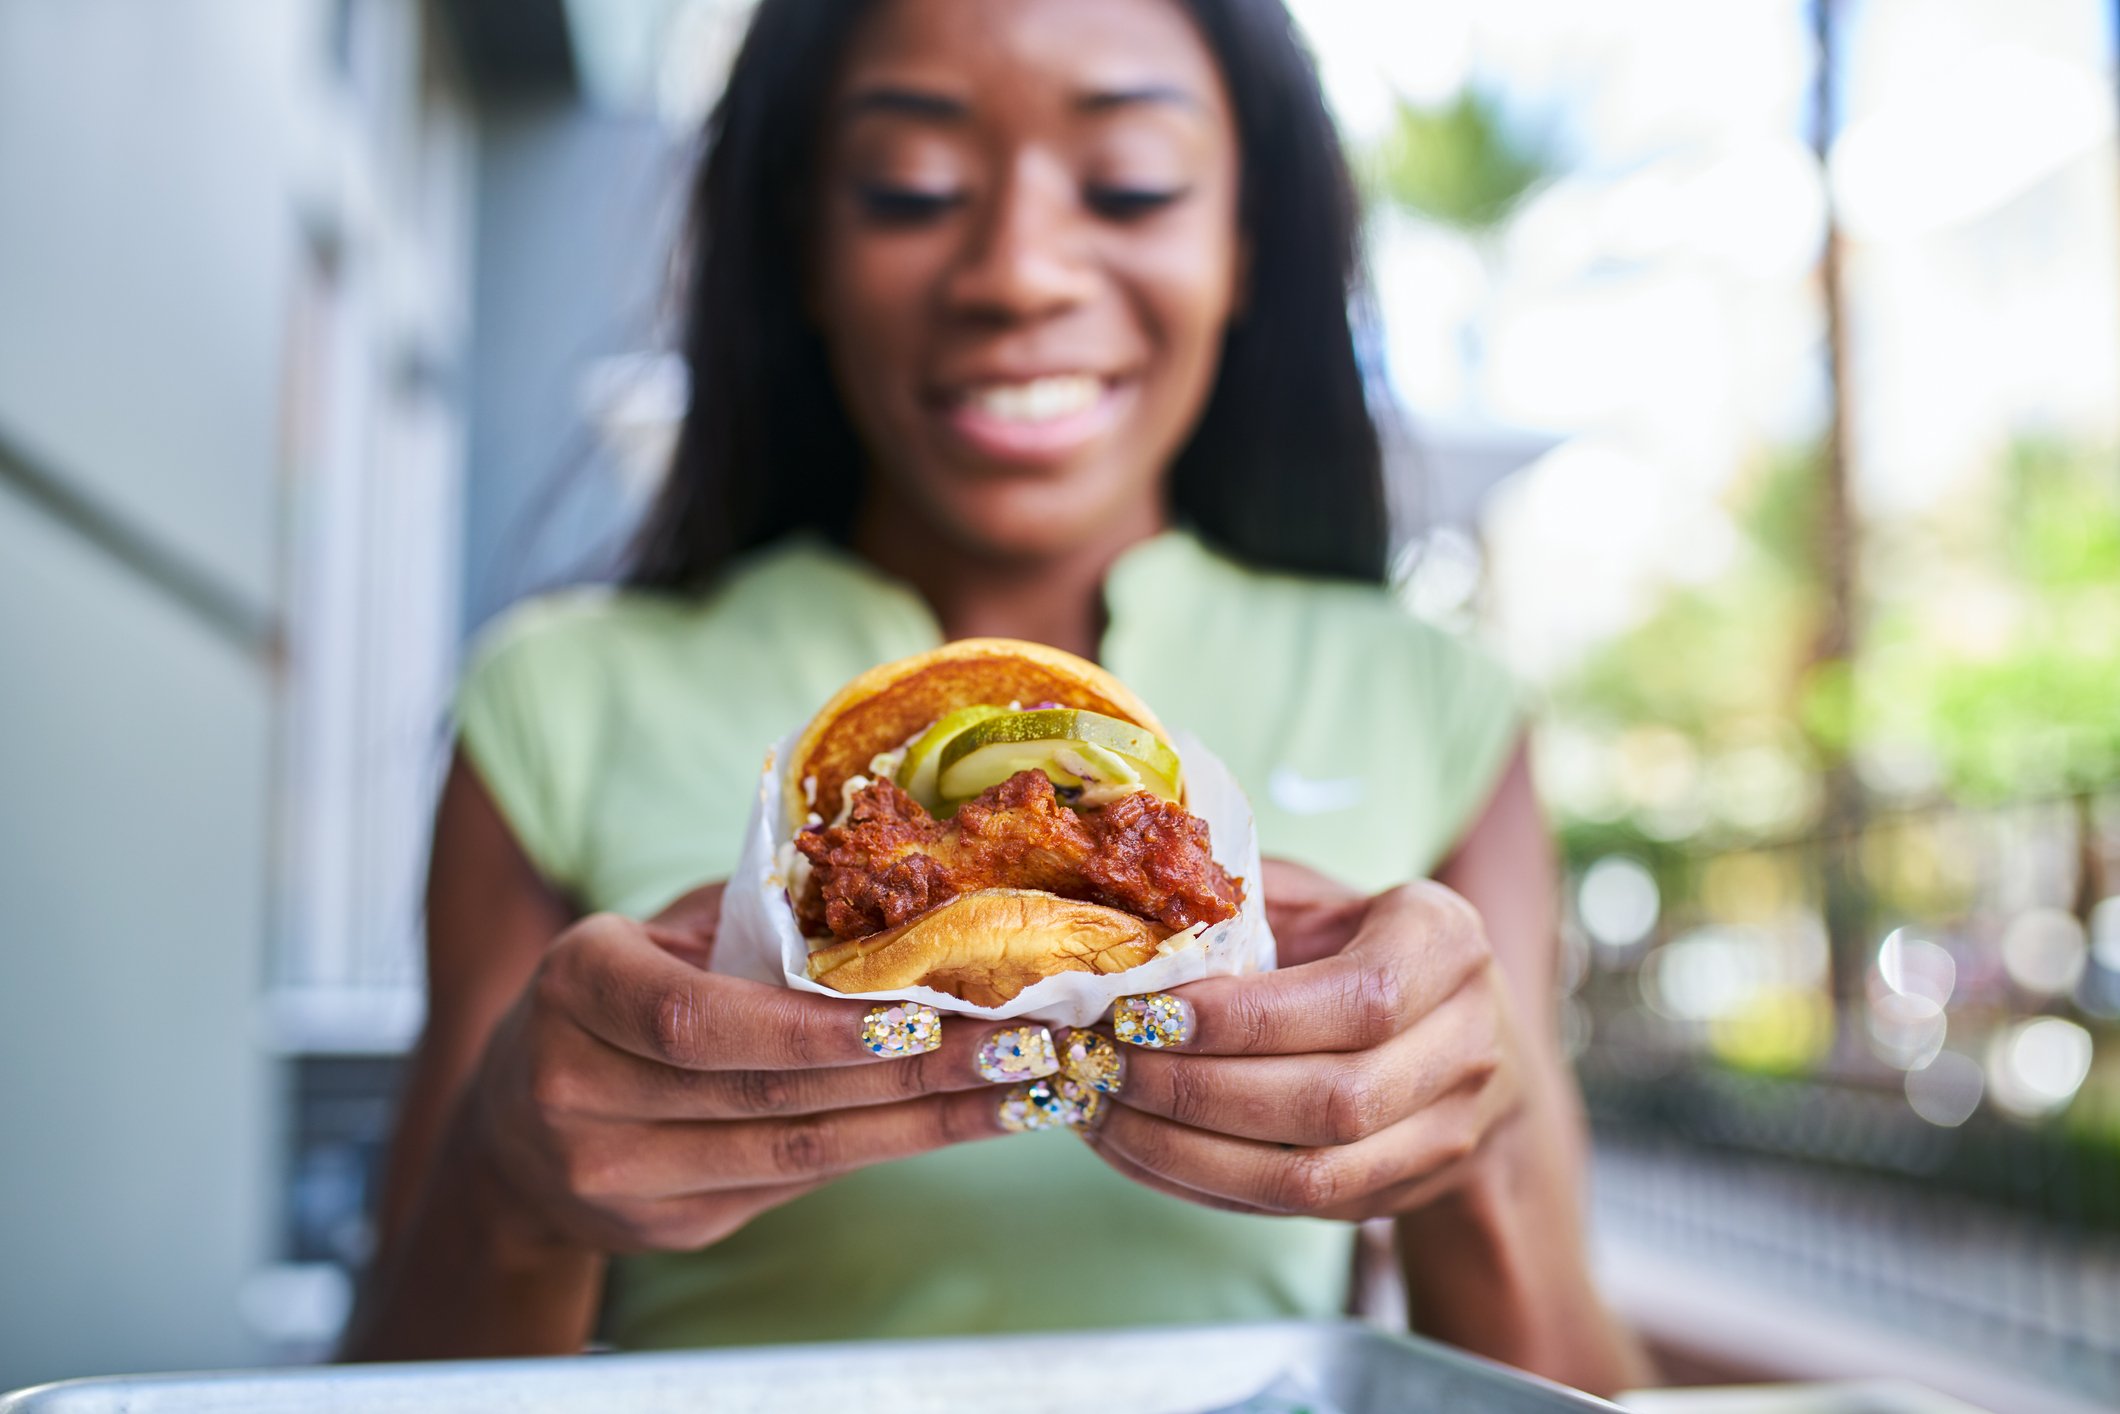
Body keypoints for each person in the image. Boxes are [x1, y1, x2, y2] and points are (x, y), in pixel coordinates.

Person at [344, 0, 1646, 1393]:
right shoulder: (556, 702)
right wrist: (512, 1181)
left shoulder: (1434, 703)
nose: (1019, 273)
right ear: (802, 245)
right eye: (913, 188)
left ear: (1245, 241)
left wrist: (1480, 1134)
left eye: (1132, 182)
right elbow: (376, 1383)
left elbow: (1577, 1382)